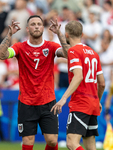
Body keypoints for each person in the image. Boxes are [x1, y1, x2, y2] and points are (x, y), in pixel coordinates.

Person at [0, 15, 69, 150]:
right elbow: (1, 55)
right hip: (26, 102)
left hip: (48, 101)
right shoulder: (20, 47)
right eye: (33, 24)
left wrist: (59, 34)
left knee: (52, 141)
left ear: (43, 27)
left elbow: (68, 54)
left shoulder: (51, 46)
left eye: (39, 24)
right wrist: (9, 34)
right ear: (27, 29)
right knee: (28, 141)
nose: (36, 26)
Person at [50, 20, 105, 150]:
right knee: (90, 145)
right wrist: (98, 100)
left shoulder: (74, 52)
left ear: (67, 35)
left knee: (71, 143)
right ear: (82, 34)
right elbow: (102, 83)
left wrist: (63, 98)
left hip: (81, 103)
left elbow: (78, 76)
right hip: (93, 103)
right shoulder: (94, 53)